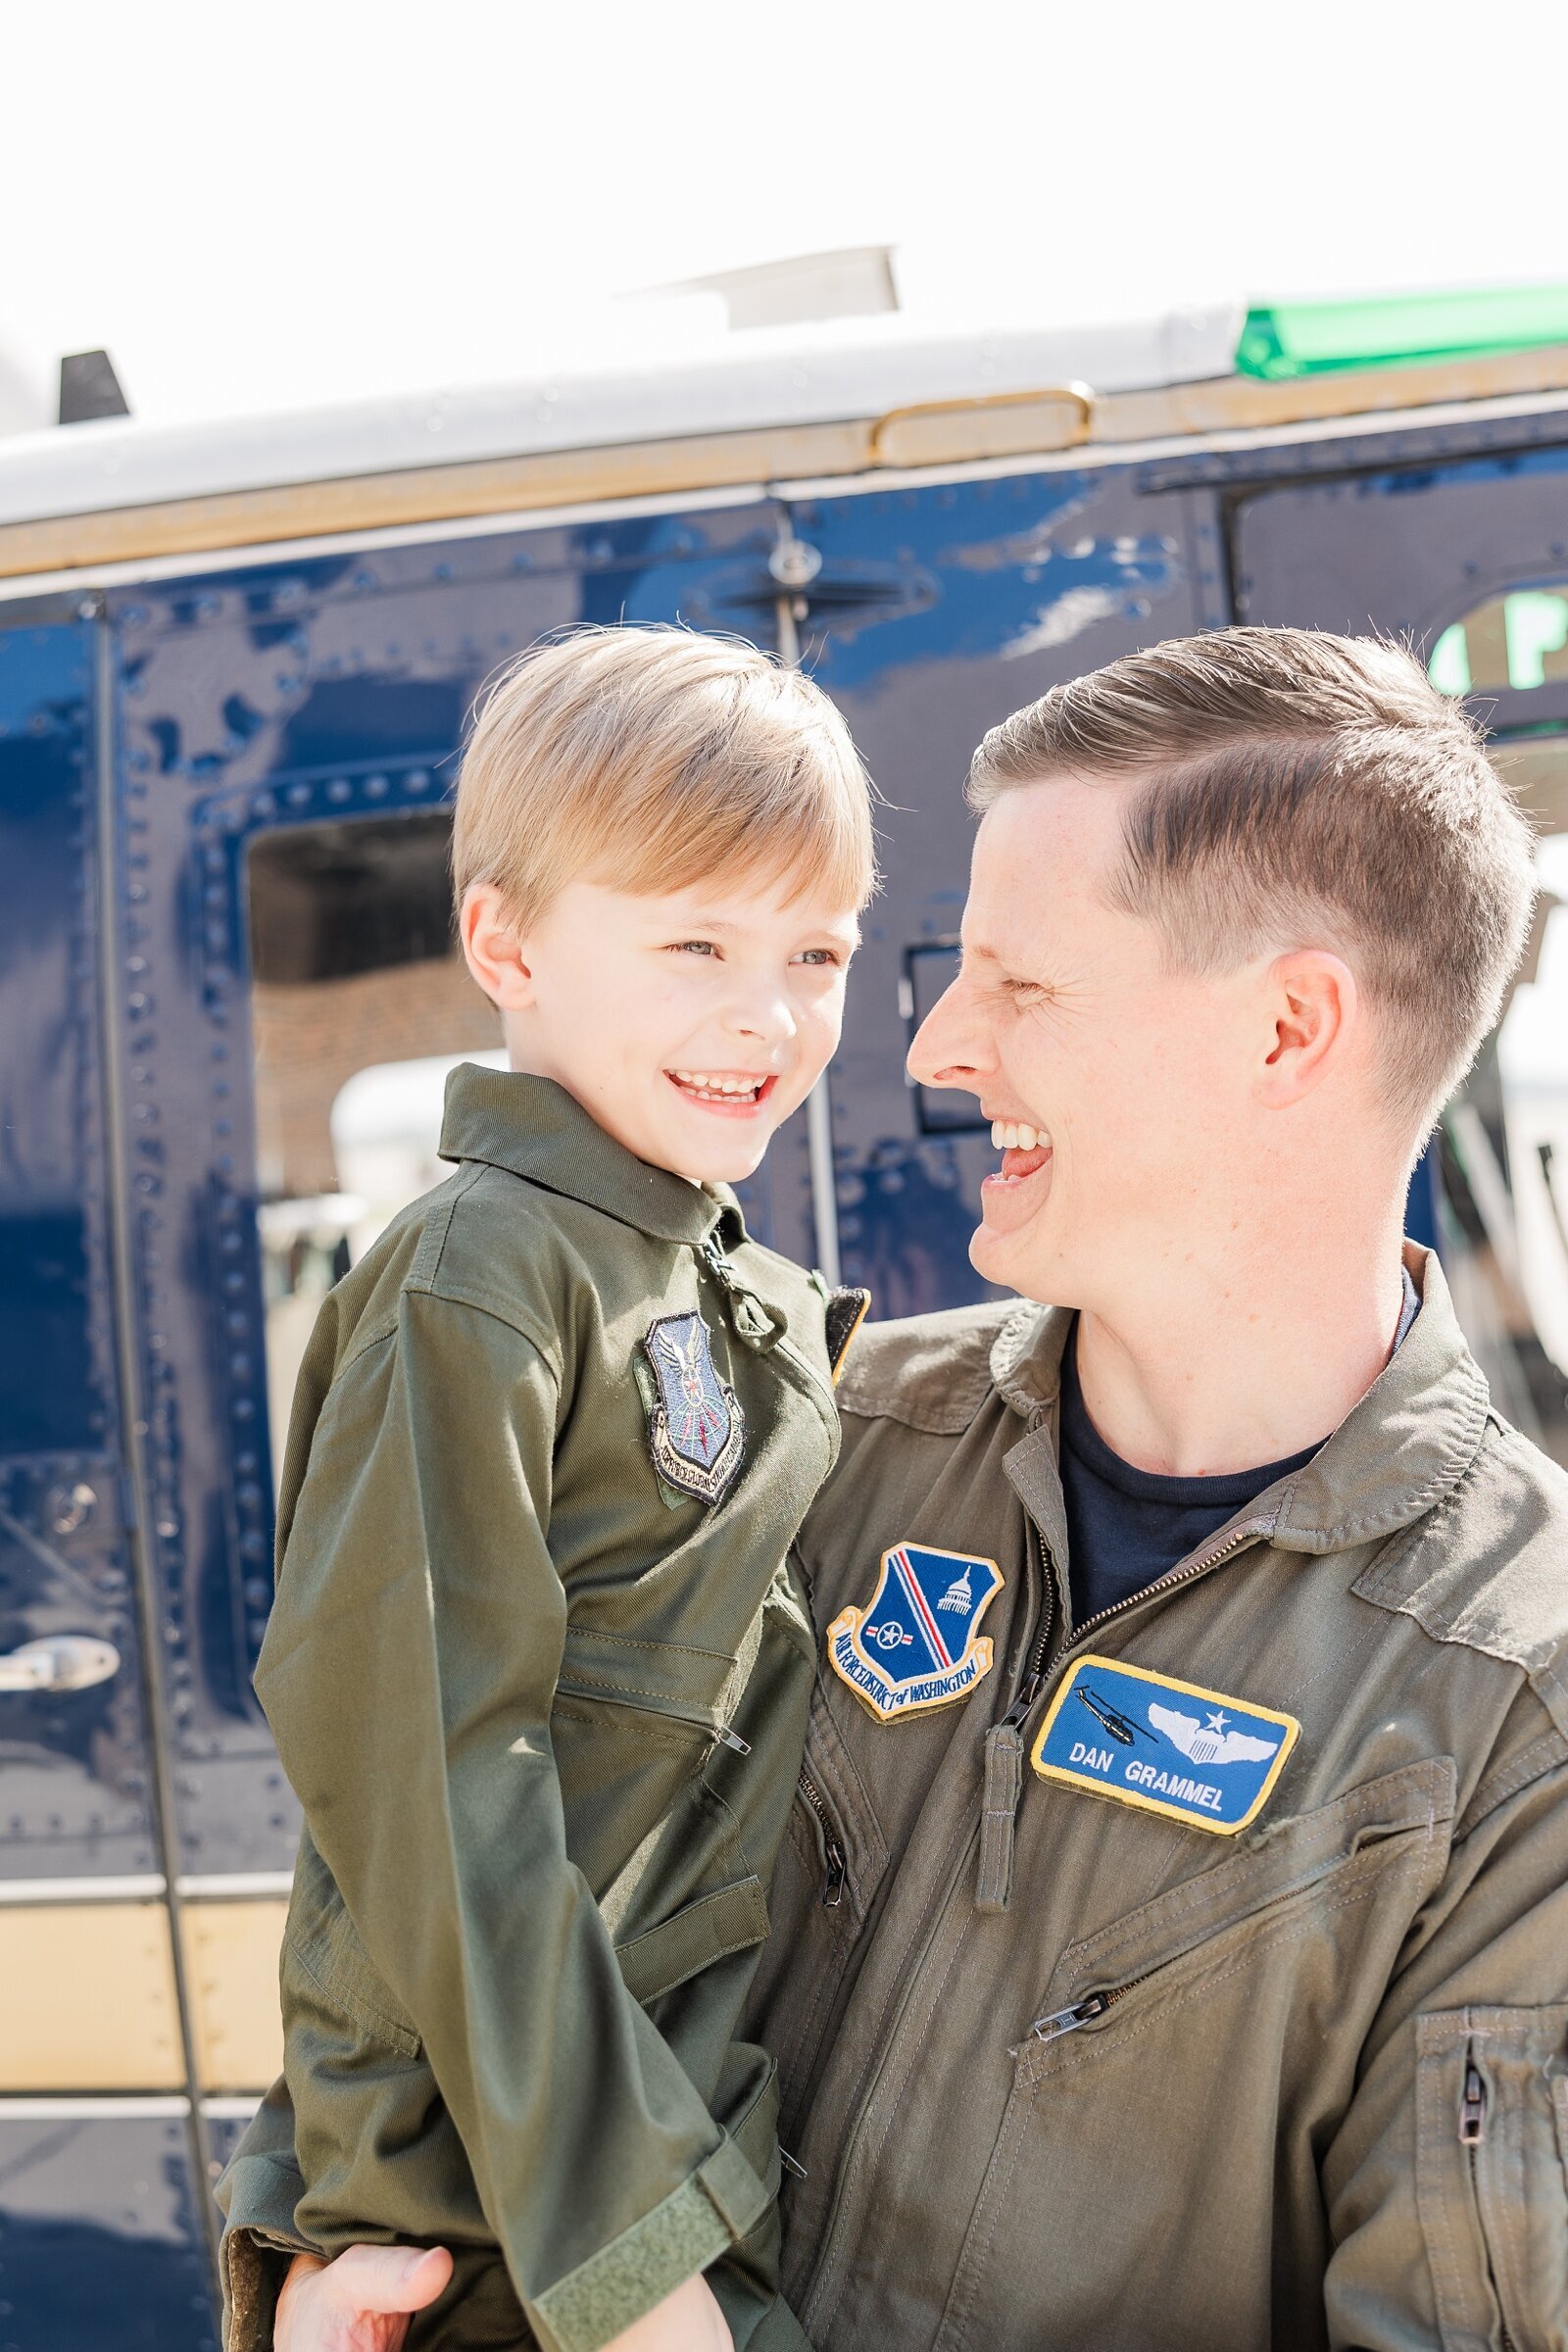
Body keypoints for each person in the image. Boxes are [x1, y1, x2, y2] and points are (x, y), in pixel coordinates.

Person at [224, 629, 1568, 2350]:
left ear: (1290, 1026)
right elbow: (448, 1827)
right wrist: (316, 2262)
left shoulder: (1512, 1713)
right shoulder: (819, 1435)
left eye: (1020, 984)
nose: (929, 1045)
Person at [216, 625, 877, 2352]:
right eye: (694, 941)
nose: (770, 1011)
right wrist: (635, 2260)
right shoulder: (482, 1273)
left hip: (642, 2165)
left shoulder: (688, 1267)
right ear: (503, 940)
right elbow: (432, 1783)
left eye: (817, 948)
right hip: (535, 2231)